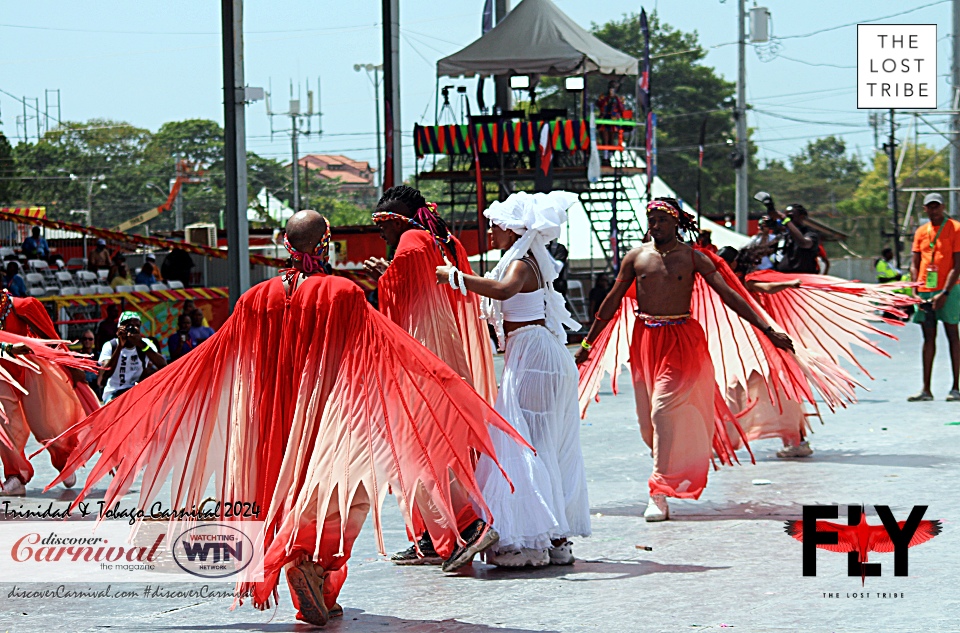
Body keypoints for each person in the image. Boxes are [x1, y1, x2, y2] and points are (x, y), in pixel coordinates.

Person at [50, 210, 523, 626]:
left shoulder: (254, 298)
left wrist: (144, 403)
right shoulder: (342, 293)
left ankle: (305, 574)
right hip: (333, 416)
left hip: (271, 420)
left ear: (287, 246)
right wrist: (442, 385)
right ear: (323, 245)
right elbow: (383, 350)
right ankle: (313, 566)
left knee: (288, 492)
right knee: (349, 492)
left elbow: (212, 357)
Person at [575, 198, 794, 521]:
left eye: (662, 219)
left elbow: (730, 295)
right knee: (649, 422)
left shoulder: (693, 259)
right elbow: (611, 302)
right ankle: (664, 469)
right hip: (645, 340)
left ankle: (659, 491)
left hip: (682, 340)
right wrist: (587, 343)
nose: (656, 225)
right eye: (651, 219)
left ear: (676, 222)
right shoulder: (636, 258)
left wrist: (767, 328)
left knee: (663, 410)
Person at [436, 191, 590, 567]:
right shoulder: (523, 259)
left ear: (511, 229)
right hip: (533, 352)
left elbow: (503, 292)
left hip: (534, 354)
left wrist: (456, 277)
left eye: (494, 226)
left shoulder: (521, 263)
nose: (490, 232)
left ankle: (533, 540)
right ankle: (553, 538)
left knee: (526, 443)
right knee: (538, 444)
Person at [364, 186, 499, 570]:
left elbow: (400, 297)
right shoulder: (441, 240)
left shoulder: (410, 241)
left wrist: (384, 279)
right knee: (428, 446)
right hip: (441, 349)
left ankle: (466, 528)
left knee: (422, 450)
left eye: (383, 226)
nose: (381, 236)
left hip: (422, 355)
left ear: (396, 220)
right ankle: (428, 537)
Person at [0, 290, 99, 496]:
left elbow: (51, 338)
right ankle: (15, 476)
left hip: (31, 369)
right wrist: (9, 350)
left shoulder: (22, 306)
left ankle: (63, 462)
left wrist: (71, 366)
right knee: (6, 426)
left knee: (44, 425)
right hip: (2, 374)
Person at [908, 192, 960, 402]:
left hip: (949, 289)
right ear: (925, 209)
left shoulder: (955, 228)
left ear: (943, 207)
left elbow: (957, 265)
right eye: (930, 206)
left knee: (952, 335)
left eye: (936, 206)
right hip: (925, 290)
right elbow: (915, 262)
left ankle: (955, 387)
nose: (933, 210)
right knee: (928, 337)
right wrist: (914, 288)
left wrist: (945, 292)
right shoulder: (921, 231)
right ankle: (926, 389)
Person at [98, 311, 167, 403]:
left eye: (137, 326)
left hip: (137, 391)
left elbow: (163, 365)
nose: (134, 329)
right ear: (120, 327)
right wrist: (119, 347)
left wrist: (140, 344)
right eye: (129, 326)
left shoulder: (145, 344)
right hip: (114, 393)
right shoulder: (110, 345)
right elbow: (105, 375)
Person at [773, 204, 821, 274]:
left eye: (790, 216)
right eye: (786, 216)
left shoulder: (810, 233)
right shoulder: (785, 235)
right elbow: (764, 250)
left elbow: (803, 243)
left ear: (802, 217)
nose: (787, 219)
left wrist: (786, 221)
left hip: (803, 277)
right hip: (783, 276)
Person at [595, 80, 625, 152]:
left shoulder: (619, 98)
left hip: (613, 121)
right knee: (604, 140)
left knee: (611, 141)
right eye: (610, 87)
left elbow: (622, 108)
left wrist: (616, 98)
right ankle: (605, 157)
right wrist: (607, 97)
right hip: (604, 120)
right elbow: (599, 104)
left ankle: (610, 156)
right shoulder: (603, 96)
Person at [78, 328, 101, 398]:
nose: (87, 341)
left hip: (95, 387)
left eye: (90, 339)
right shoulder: (77, 357)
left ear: (93, 341)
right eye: (85, 339)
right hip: (82, 387)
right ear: (81, 341)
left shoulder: (98, 356)